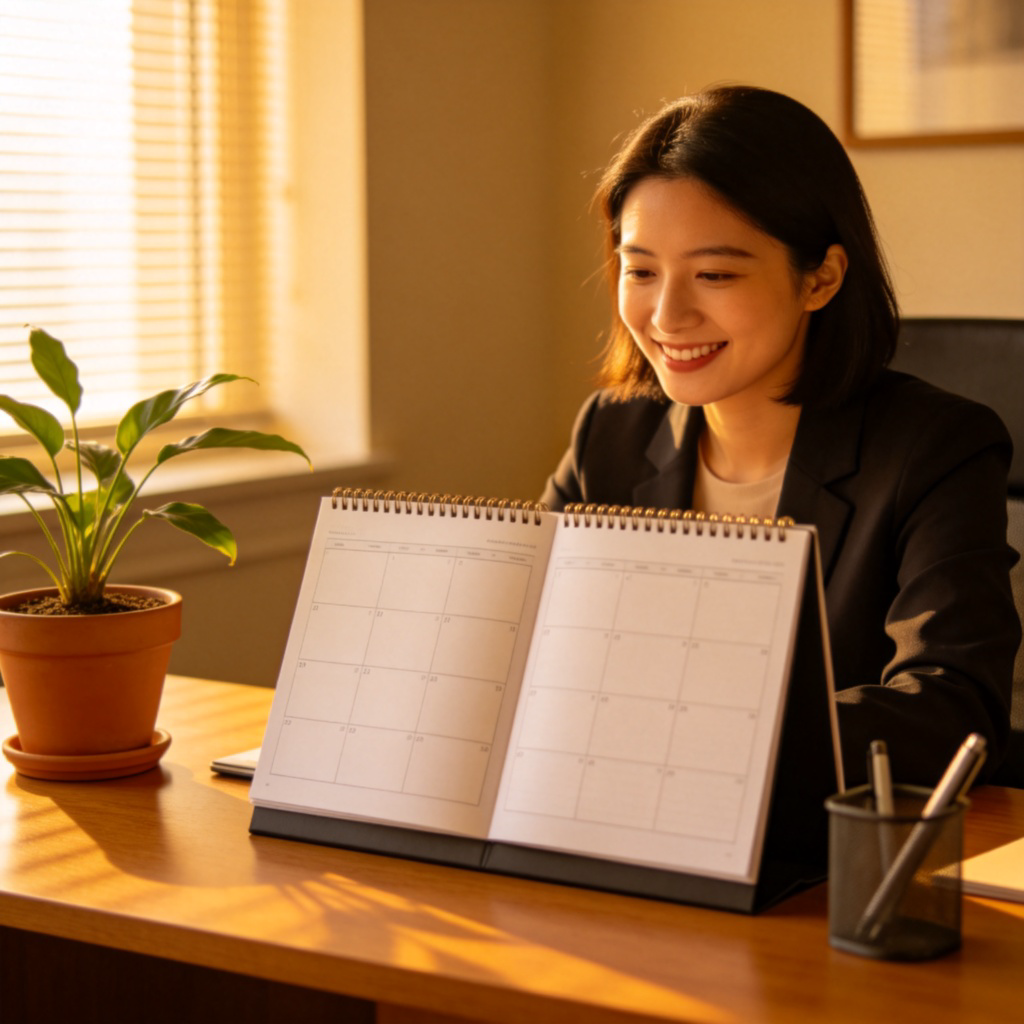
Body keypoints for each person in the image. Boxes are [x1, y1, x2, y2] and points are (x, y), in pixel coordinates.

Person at [542, 85, 1020, 787]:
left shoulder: (937, 448)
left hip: (830, 854)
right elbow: (528, 648)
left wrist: (700, 735)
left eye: (714, 274)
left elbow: (951, 711)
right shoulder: (608, 435)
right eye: (639, 270)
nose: (667, 315)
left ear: (820, 278)